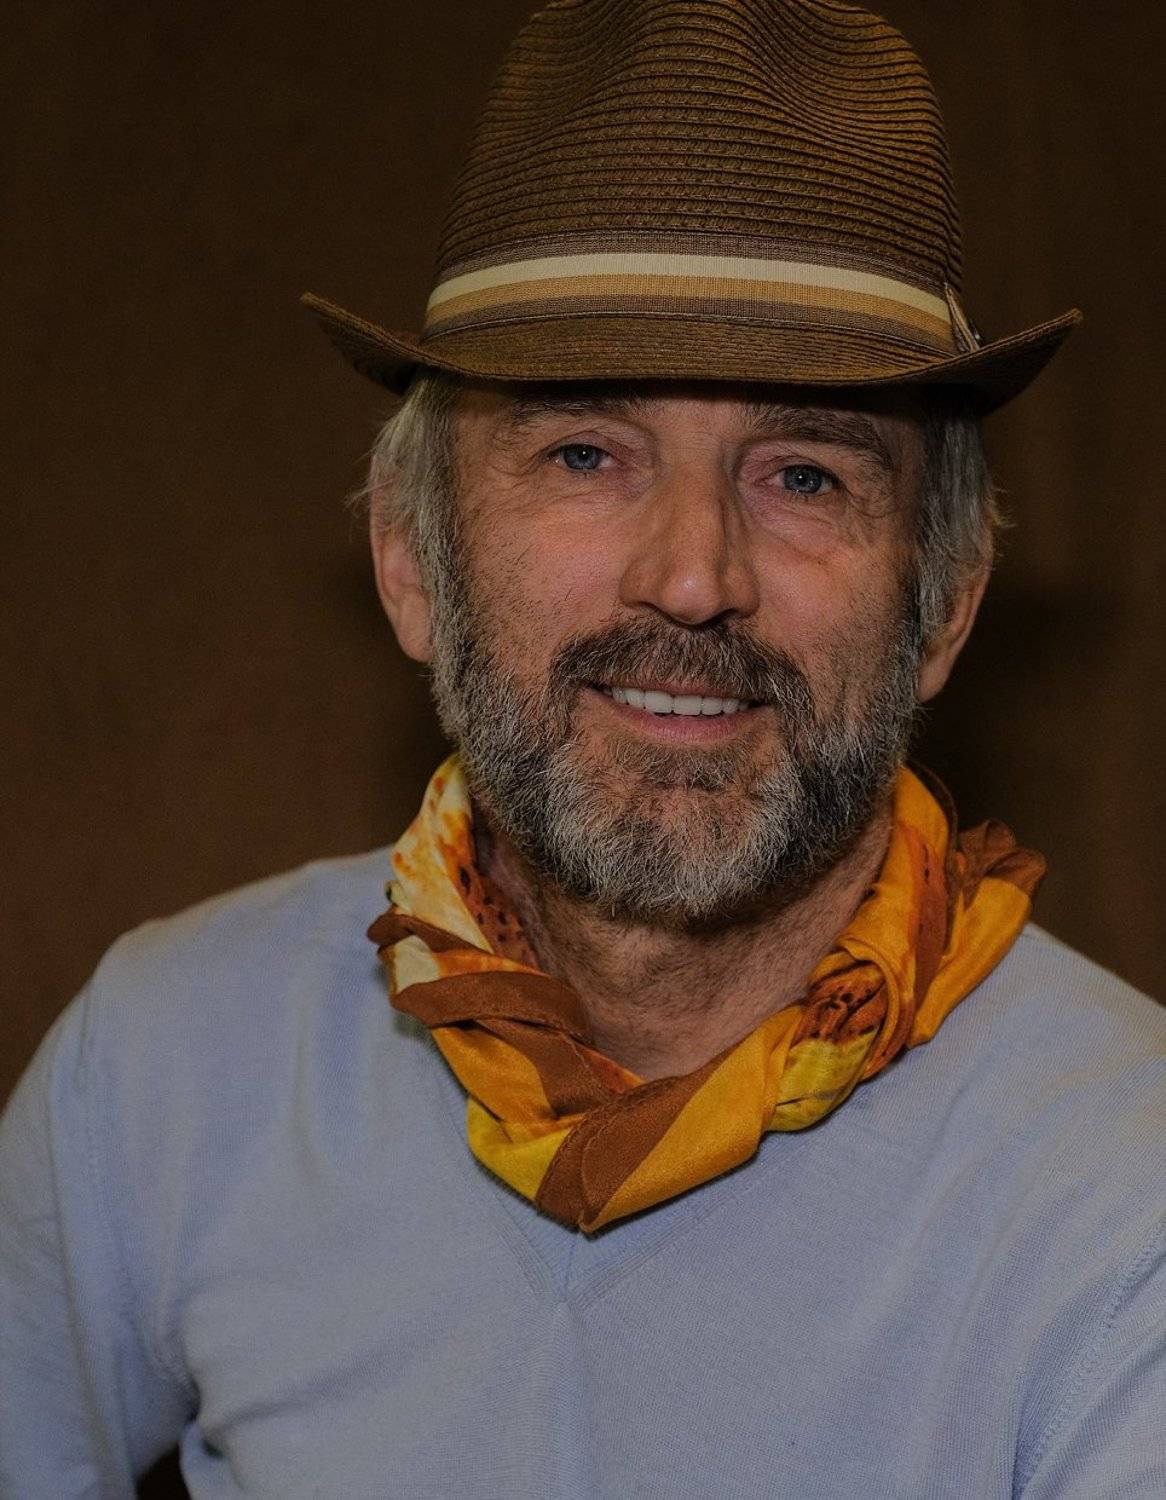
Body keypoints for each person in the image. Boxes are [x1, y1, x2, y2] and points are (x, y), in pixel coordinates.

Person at [2, 0, 1162, 1495]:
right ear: (412, 562)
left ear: (940, 608)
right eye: (582, 454)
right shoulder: (168, 1067)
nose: (691, 575)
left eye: (806, 474)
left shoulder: (1122, 1192)